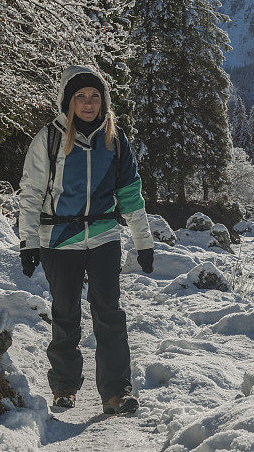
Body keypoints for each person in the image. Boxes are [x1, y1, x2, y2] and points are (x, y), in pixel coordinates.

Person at [17, 65, 155, 415]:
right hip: (59, 239)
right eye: (81, 97)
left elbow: (130, 195)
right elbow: (31, 194)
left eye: (95, 96)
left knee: (109, 313)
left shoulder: (115, 139)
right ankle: (65, 387)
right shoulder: (48, 139)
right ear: (68, 101)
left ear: (104, 100)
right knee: (66, 314)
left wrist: (144, 241)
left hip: (105, 236)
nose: (88, 103)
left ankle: (116, 391)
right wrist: (28, 242)